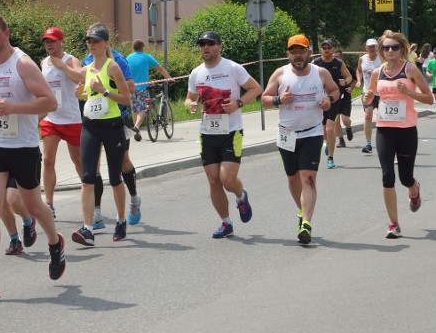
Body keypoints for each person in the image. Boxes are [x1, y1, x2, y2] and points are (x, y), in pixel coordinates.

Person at [0, 14, 66, 300]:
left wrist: (14, 107)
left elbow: (49, 101)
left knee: (32, 206)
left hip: (23, 146)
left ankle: (55, 244)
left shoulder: (22, 63)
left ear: (6, 34)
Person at [55, 23, 133, 245]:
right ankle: (87, 228)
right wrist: (81, 94)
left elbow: (127, 98)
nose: (92, 45)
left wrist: (104, 91)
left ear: (106, 44)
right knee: (87, 177)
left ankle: (120, 220)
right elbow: (88, 97)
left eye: (96, 41)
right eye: (89, 41)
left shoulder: (113, 67)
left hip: (113, 127)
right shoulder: (86, 70)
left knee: (115, 178)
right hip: (90, 126)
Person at [263, 35, 339, 245]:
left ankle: (306, 223)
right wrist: (279, 99)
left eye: (301, 51)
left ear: (308, 53)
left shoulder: (320, 73)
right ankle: (301, 209)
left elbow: (335, 90)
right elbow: (264, 100)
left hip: (312, 132)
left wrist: (328, 100)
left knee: (308, 178)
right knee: (292, 178)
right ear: (288, 54)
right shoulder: (280, 74)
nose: (298, 55)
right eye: (293, 51)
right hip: (287, 134)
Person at [184, 31, 261, 238]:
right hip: (207, 133)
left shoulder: (233, 68)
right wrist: (190, 105)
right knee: (213, 181)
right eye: (202, 44)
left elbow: (255, 88)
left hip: (231, 131)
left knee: (227, 180)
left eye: (210, 44)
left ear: (219, 46)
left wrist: (238, 103)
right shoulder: (196, 73)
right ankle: (226, 223)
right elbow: (189, 98)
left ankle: (240, 196)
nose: (205, 48)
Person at [363, 31, 433, 238]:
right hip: (384, 129)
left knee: (405, 177)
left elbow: (429, 98)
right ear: (381, 51)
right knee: (387, 176)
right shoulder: (378, 72)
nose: (390, 51)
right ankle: (393, 223)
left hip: (406, 130)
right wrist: (367, 98)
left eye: (394, 47)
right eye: (386, 47)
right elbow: (369, 99)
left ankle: (414, 189)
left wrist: (409, 92)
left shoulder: (410, 69)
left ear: (402, 49)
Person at [38, 27, 83, 215]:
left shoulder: (71, 60)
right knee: (48, 160)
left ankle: (91, 195)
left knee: (78, 160)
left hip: (71, 119)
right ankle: (48, 203)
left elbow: (81, 77)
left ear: (60, 42)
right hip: (51, 118)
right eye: (46, 41)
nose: (49, 44)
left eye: (52, 41)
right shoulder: (42, 63)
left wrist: (63, 67)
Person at [312, 39, 352, 168]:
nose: (326, 50)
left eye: (329, 48)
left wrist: (345, 82)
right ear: (321, 50)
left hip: (334, 98)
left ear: (333, 49)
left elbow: (349, 77)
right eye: (324, 48)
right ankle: (328, 144)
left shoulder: (339, 63)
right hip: (319, 100)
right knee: (323, 131)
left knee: (330, 128)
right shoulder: (316, 63)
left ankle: (330, 157)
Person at [126, 39, 171, 141]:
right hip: (142, 88)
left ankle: (137, 133)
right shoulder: (146, 57)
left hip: (131, 88)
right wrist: (169, 78)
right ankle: (136, 127)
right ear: (142, 47)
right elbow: (160, 69)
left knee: (134, 110)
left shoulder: (128, 58)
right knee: (144, 109)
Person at [357, 38, 382, 154]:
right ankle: (368, 144)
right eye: (369, 47)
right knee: (368, 115)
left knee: (382, 117)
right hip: (368, 91)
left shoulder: (382, 58)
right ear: (366, 48)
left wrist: (377, 75)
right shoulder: (362, 59)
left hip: (382, 92)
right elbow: (359, 70)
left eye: (373, 46)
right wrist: (358, 80)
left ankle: (384, 141)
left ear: (377, 47)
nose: (372, 49)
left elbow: (390, 72)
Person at [332, 49, 355, 148]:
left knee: (345, 119)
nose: (335, 59)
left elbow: (354, 80)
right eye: (334, 57)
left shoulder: (347, 68)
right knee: (336, 120)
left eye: (337, 57)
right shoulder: (331, 69)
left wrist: (351, 87)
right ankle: (341, 140)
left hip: (345, 97)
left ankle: (348, 127)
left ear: (341, 57)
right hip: (335, 97)